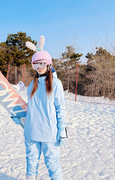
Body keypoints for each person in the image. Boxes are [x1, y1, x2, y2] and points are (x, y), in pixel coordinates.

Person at [12, 36, 68, 180]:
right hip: (31, 132)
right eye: (36, 65)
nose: (39, 67)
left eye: (42, 63)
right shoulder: (32, 85)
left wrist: (62, 129)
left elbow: (60, 107)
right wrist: (21, 119)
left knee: (52, 163)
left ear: (49, 64)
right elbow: (31, 108)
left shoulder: (56, 84)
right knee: (31, 162)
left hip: (49, 132)